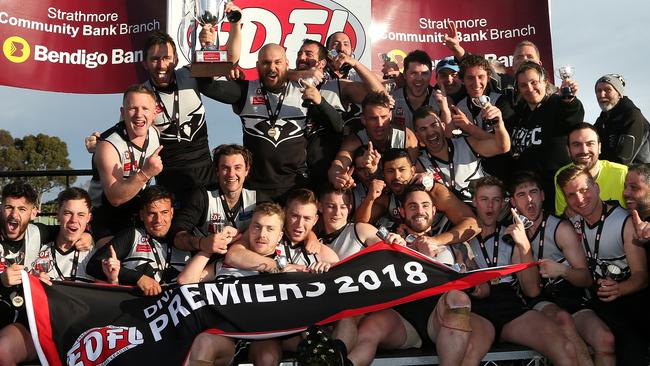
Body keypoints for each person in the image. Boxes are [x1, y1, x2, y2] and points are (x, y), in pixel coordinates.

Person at [349, 185, 494, 366]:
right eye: (412, 206)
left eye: (425, 205)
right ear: (402, 211)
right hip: (403, 321)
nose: (420, 211)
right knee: (370, 328)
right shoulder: (390, 241)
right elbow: (361, 227)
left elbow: (484, 290)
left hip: (441, 318)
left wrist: (463, 278)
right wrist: (392, 251)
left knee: (458, 299)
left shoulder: (455, 246)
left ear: (434, 211)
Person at [178, 202, 320, 366]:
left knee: (267, 357)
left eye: (270, 229)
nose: (262, 234)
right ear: (249, 229)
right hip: (226, 335)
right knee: (203, 342)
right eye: (257, 227)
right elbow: (185, 280)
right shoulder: (226, 262)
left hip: (261, 335)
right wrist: (210, 247)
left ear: (280, 235)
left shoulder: (287, 267)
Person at [199, 43, 343, 203]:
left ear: (287, 65)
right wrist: (208, 48)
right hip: (255, 190)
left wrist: (319, 101)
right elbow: (207, 86)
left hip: (296, 187)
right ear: (257, 66)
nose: (271, 68)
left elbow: (337, 127)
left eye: (277, 62)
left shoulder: (303, 90)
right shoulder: (246, 90)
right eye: (266, 63)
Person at [469, 176, 579, 365]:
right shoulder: (460, 236)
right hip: (476, 308)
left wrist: (523, 245)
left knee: (565, 348)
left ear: (504, 203)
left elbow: (532, 291)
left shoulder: (512, 234)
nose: (490, 206)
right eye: (484, 199)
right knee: (468, 353)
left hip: (508, 304)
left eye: (496, 200)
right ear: (474, 202)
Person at [510, 171, 615, 365]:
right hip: (538, 303)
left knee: (605, 339)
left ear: (542, 196)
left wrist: (563, 271)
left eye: (533, 192)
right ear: (513, 202)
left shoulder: (560, 229)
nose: (529, 199)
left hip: (570, 296)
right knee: (562, 319)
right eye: (521, 195)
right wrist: (523, 245)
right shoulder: (512, 237)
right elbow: (532, 291)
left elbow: (586, 278)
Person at [558, 165, 649, 366]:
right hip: (595, 303)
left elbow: (641, 276)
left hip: (630, 301)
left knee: (630, 344)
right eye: (571, 195)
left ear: (597, 188)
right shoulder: (571, 222)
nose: (580, 199)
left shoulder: (624, 221)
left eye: (584, 190)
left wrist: (619, 288)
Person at [355, 148, 479, 250]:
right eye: (390, 171)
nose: (397, 176)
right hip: (411, 254)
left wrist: (435, 241)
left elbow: (473, 224)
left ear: (412, 170)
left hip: (446, 249)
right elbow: (360, 225)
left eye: (402, 170)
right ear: (384, 174)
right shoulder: (387, 197)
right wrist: (370, 198)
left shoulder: (433, 191)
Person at [87, 186, 194, 295]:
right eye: (152, 213)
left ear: (172, 212)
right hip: (137, 308)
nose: (158, 220)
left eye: (164, 212)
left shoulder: (186, 239)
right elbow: (93, 265)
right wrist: (138, 278)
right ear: (142, 215)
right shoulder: (132, 235)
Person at [89, 84, 163, 242]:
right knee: (112, 260)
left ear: (155, 112)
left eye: (145, 109)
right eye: (133, 108)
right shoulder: (108, 145)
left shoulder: (155, 133)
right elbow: (115, 198)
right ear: (123, 112)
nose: (139, 114)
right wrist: (146, 173)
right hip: (107, 216)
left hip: (139, 211)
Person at [509, 61, 584, 208]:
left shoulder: (557, 103)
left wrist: (569, 100)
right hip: (530, 194)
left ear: (545, 82)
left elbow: (572, 117)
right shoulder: (519, 113)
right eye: (523, 85)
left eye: (534, 82)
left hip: (556, 192)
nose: (529, 88)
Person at [413, 102, 510, 202]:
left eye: (434, 125)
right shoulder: (420, 164)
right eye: (423, 129)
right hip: (458, 214)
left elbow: (502, 147)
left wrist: (498, 124)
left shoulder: (466, 143)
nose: (430, 132)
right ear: (418, 135)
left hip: (489, 205)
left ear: (443, 126)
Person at [170, 144, 257, 252]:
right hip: (206, 261)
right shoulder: (202, 197)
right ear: (217, 171)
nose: (231, 174)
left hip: (242, 260)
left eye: (237, 168)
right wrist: (202, 243)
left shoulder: (257, 198)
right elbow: (177, 235)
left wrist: (243, 234)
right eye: (225, 168)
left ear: (247, 170)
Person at [328, 92, 419, 190]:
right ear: (363, 119)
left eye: (384, 117)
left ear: (390, 116)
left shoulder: (407, 138)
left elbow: (413, 174)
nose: (380, 124)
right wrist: (337, 177)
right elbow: (339, 162)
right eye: (373, 118)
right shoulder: (355, 140)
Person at [554, 123, 627, 217]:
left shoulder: (622, 173)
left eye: (590, 144)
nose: (584, 151)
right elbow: (561, 217)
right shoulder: (563, 175)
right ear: (568, 150)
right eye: (577, 145)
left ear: (599, 147)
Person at [29, 188, 96, 282]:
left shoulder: (95, 255)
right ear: (58, 214)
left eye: (81, 215)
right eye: (68, 213)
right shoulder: (36, 249)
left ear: (89, 218)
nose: (74, 220)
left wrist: (113, 280)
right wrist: (32, 281)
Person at [594, 74, 650, 164]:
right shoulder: (602, 121)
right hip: (610, 172)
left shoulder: (632, 116)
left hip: (637, 175)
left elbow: (623, 160)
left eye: (608, 90)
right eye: (598, 91)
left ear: (619, 94)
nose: (602, 94)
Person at [391, 50, 451, 131]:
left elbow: (449, 135)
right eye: (414, 73)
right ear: (405, 75)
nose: (419, 79)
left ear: (430, 75)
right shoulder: (393, 99)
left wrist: (445, 110)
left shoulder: (441, 101)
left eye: (424, 73)